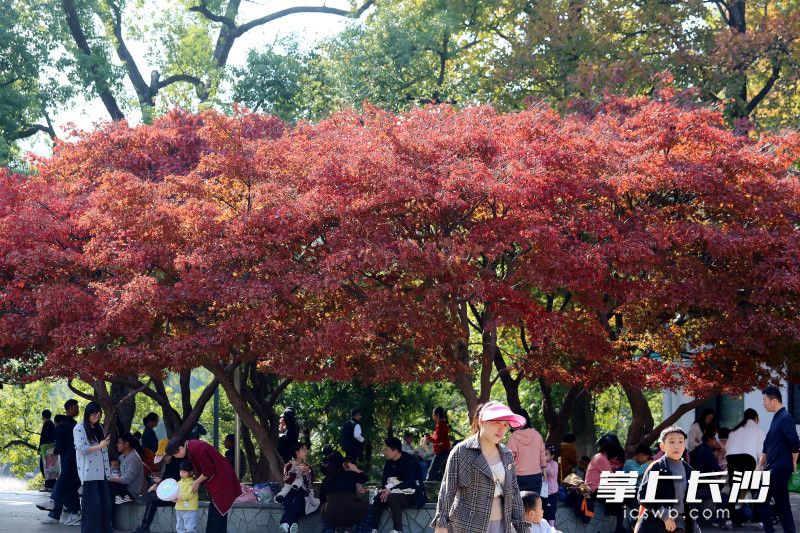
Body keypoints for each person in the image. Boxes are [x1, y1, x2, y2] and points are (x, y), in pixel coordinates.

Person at [432, 401, 529, 533]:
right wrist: (441, 524)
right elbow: (447, 490)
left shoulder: (507, 454)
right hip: (467, 526)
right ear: (481, 421)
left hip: (501, 525)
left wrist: (522, 527)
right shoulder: (461, 451)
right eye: (497, 423)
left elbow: (514, 492)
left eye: (505, 424)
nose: (502, 429)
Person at [165, 436, 243, 533]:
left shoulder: (195, 448)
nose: (175, 457)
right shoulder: (191, 447)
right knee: (214, 512)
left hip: (222, 480)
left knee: (217, 514)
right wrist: (196, 481)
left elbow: (208, 470)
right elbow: (201, 469)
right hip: (218, 480)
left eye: (174, 454)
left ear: (180, 448)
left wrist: (196, 482)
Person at [634, 427, 698, 533]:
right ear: (662, 446)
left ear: (684, 445)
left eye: (680, 442)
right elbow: (644, 496)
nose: (676, 446)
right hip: (656, 525)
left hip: (681, 527)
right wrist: (665, 516)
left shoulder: (690, 471)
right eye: (671, 442)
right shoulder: (657, 468)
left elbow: (691, 504)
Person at [758, 385, 800, 533]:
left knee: (761, 499)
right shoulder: (777, 417)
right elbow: (767, 443)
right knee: (782, 504)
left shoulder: (785, 418)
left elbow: (795, 442)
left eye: (765, 400)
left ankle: (770, 531)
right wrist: (759, 465)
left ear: (774, 401)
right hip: (776, 467)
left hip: (779, 468)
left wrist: (794, 462)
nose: (763, 403)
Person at [371, 436, 426, 533]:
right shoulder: (388, 463)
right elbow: (384, 480)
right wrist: (385, 490)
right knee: (378, 497)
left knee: (394, 497)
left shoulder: (411, 461)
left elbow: (410, 482)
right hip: (393, 491)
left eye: (387, 449)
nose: (384, 452)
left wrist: (392, 489)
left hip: (413, 493)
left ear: (395, 451)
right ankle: (373, 529)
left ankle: (398, 530)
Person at [74, 401, 113, 533]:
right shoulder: (79, 428)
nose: (96, 417)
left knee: (105, 504)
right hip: (89, 473)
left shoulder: (99, 427)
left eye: (98, 414)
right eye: (93, 414)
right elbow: (82, 449)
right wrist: (100, 446)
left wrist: (104, 444)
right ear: (87, 414)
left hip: (102, 471)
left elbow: (102, 448)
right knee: (93, 506)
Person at [41, 399, 81, 526]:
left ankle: (55, 506)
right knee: (68, 488)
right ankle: (71, 513)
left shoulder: (67, 425)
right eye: (75, 408)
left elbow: (59, 446)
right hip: (71, 461)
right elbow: (62, 445)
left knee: (64, 484)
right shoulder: (68, 425)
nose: (78, 410)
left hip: (70, 462)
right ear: (69, 409)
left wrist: (53, 451)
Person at [131, 439, 181, 533]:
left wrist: (160, 481)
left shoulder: (177, 464)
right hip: (167, 494)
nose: (163, 459)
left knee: (153, 499)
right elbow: (165, 480)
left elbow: (175, 483)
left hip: (175, 497)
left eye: (164, 456)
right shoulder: (168, 464)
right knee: (152, 496)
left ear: (169, 454)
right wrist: (155, 485)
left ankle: (145, 526)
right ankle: (144, 525)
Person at [319, 451, 369, 531]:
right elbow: (365, 478)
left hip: (332, 514)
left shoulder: (327, 480)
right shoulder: (350, 475)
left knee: (325, 512)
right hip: (351, 512)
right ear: (343, 464)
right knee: (368, 508)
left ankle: (333, 530)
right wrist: (355, 469)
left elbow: (321, 498)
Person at [277, 442, 315, 532]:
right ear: (297, 452)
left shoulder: (309, 467)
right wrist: (293, 471)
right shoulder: (288, 466)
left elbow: (309, 486)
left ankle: (285, 523)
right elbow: (287, 481)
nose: (307, 452)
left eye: (307, 450)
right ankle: (293, 524)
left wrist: (306, 474)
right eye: (304, 450)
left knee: (296, 497)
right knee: (293, 498)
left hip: (304, 494)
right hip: (291, 494)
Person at [726, 408, 765, 493]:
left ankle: (733, 502)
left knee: (735, 489)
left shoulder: (734, 430)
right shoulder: (758, 430)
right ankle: (756, 500)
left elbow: (727, 448)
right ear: (756, 418)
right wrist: (763, 467)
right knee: (754, 486)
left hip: (731, 458)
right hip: (747, 459)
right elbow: (761, 452)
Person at [507, 409, 546, 493]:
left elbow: (509, 458)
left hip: (519, 476)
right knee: (535, 501)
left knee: (520, 501)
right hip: (536, 476)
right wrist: (544, 472)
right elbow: (542, 455)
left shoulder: (513, 437)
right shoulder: (537, 435)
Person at [109, 432, 145, 503]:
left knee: (109, 486)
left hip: (130, 492)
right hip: (123, 487)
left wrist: (109, 478)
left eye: (119, 442)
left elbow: (127, 480)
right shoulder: (122, 457)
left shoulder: (133, 458)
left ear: (127, 444)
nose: (117, 445)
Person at [424, 406, 452, 482]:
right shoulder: (441, 425)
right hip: (442, 451)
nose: (432, 416)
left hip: (442, 451)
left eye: (433, 414)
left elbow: (438, 440)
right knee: (438, 471)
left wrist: (429, 437)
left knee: (432, 471)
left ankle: (427, 486)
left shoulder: (441, 426)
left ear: (437, 415)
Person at [174, 460, 199, 533]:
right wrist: (173, 498)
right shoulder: (178, 482)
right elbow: (175, 493)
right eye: (180, 471)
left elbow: (190, 494)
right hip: (179, 508)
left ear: (191, 472)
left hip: (190, 508)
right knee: (179, 527)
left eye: (184, 472)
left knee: (190, 528)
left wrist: (179, 496)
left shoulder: (193, 483)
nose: (181, 473)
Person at [39, 409, 56, 490]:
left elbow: (43, 438)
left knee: (44, 466)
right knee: (51, 466)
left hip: (46, 448)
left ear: (43, 416)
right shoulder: (52, 424)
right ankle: (52, 485)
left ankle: (49, 485)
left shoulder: (46, 424)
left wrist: (39, 448)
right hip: (52, 447)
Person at [542, 445, 559, 528]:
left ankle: (552, 528)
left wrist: (545, 465)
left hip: (552, 493)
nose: (544, 456)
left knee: (551, 512)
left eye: (546, 454)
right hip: (543, 493)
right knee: (544, 512)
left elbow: (552, 473)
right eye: (543, 454)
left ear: (552, 456)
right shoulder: (541, 464)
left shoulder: (554, 464)